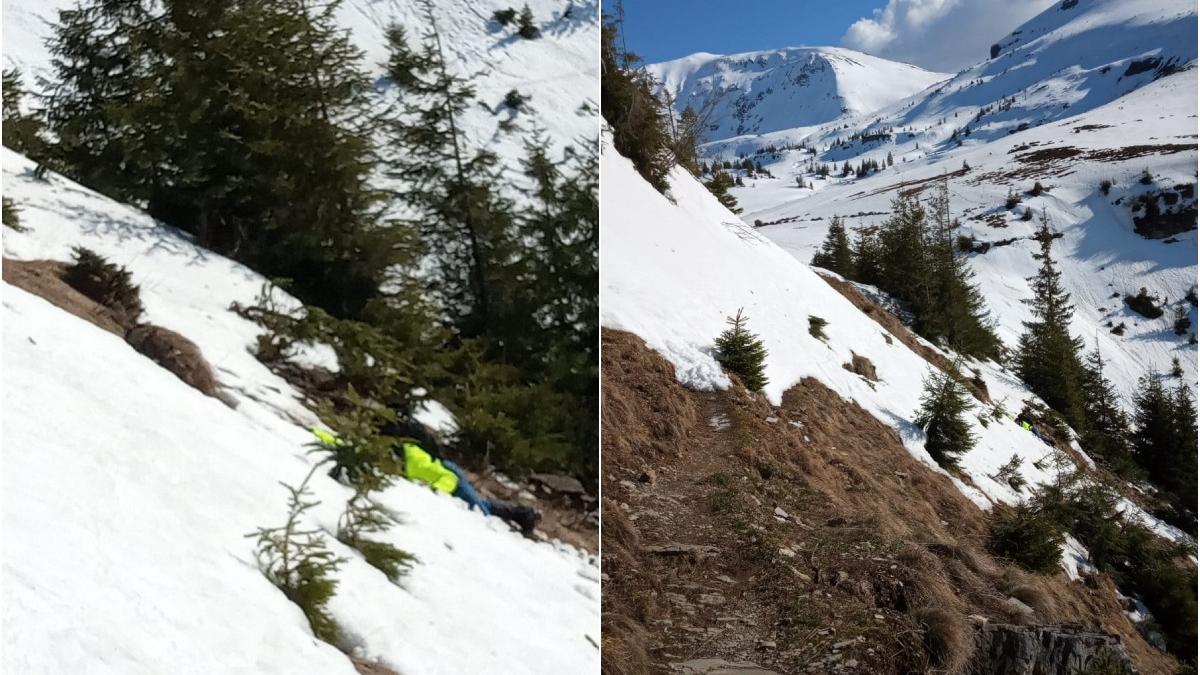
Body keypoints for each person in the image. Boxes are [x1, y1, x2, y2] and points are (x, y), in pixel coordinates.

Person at [312, 420, 540, 536]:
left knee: (480, 509)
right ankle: (522, 514)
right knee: (484, 505)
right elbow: (353, 447)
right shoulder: (398, 452)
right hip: (446, 472)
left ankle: (525, 515)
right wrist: (319, 434)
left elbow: (443, 476)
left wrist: (437, 492)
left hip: (451, 478)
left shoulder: (411, 457)